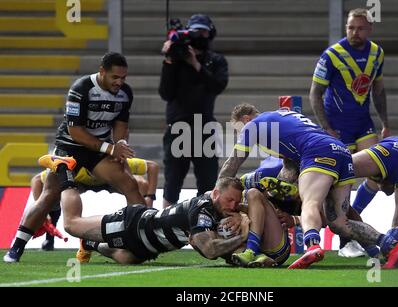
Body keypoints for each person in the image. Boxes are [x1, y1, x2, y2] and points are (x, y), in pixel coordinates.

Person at [219, 103, 398, 269]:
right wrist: (281, 188)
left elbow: (232, 164)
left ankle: (312, 247)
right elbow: (290, 166)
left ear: (245, 119)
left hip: (317, 152)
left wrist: (216, 192)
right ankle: (393, 246)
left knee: (310, 202)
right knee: (338, 222)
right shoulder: (283, 118)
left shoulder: (252, 125)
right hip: (341, 152)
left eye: (239, 130)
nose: (241, 135)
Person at [3, 52, 145, 263]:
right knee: (49, 195)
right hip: (69, 148)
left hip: (99, 151)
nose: (120, 82)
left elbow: (121, 125)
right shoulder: (81, 89)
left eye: (123, 78)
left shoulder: (124, 93)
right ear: (102, 72)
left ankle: (144, 238)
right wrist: (110, 148)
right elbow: (76, 132)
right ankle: (16, 247)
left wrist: (121, 144)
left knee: (129, 184)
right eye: (115, 77)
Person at [33, 156, 248, 265]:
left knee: (128, 259)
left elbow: (204, 245)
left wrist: (242, 213)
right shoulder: (203, 209)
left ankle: (91, 243)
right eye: (230, 200)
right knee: (72, 224)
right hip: (133, 225)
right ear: (215, 194)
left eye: (236, 203)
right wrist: (244, 239)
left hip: (148, 246)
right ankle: (64, 169)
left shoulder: (219, 208)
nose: (233, 206)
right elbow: (210, 250)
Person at [309, 8, 390, 256]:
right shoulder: (332, 55)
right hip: (337, 128)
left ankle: (354, 222)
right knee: (341, 183)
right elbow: (315, 92)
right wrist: (327, 128)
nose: (355, 32)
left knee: (378, 175)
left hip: (363, 125)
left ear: (370, 28)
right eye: (350, 27)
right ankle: (346, 241)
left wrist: (386, 123)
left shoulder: (377, 53)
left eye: (360, 28)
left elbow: (378, 90)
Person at [159, 14, 228, 208]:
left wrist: (196, 64)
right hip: (177, 127)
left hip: (204, 127)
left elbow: (217, 86)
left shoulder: (215, 60)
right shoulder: (175, 58)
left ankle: (204, 222)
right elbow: (165, 92)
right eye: (195, 31)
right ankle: (165, 226)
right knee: (172, 181)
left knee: (207, 181)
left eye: (203, 31)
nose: (199, 35)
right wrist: (169, 61)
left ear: (210, 33)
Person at [31, 158, 159, 251]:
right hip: (82, 183)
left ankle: (142, 224)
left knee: (141, 184)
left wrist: (150, 197)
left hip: (109, 181)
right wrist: (44, 213)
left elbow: (152, 166)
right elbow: (36, 180)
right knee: (54, 192)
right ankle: (50, 237)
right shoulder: (74, 165)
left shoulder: (115, 163)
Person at [352, 136, 398, 244]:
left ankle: (388, 248)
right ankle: (389, 249)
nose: (388, 194)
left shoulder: (376, 172)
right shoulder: (378, 174)